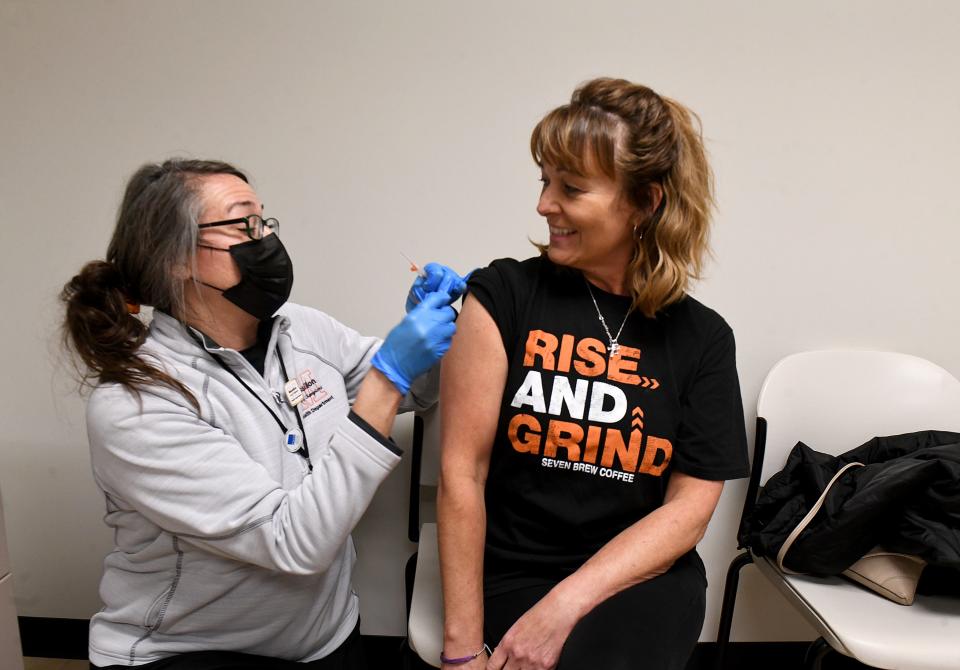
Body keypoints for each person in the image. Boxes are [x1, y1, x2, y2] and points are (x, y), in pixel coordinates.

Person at [60, 159, 467, 670]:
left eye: (264, 222)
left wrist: (439, 331)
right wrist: (389, 376)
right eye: (242, 224)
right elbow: (294, 543)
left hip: (323, 638)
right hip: (190, 653)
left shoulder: (300, 329)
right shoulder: (137, 403)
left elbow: (415, 392)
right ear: (177, 258)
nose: (265, 240)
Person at [437, 78, 750, 670]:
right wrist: (462, 651)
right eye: (544, 182)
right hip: (514, 570)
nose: (544, 204)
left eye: (572, 188)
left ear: (646, 202)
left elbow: (688, 510)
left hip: (639, 578)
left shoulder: (704, 338)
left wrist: (564, 607)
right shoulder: (502, 295)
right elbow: (461, 472)